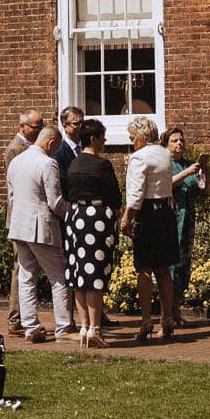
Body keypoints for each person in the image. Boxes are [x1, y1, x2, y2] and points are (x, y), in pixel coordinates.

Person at [6, 125, 75, 342]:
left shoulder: (16, 161)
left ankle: (31, 327)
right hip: (41, 226)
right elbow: (55, 202)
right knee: (59, 275)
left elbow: (12, 196)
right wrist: (71, 213)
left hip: (19, 225)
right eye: (56, 147)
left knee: (27, 277)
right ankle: (64, 326)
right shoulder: (48, 163)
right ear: (51, 143)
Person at [62, 117, 121, 348]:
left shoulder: (73, 164)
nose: (105, 141)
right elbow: (115, 197)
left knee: (78, 275)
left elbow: (67, 193)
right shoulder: (102, 165)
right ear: (94, 138)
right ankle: (96, 328)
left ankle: (85, 326)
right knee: (95, 276)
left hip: (75, 217)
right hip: (96, 218)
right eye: (103, 136)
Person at [123, 115, 180, 342]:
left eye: (132, 137)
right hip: (166, 211)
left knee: (143, 269)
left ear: (141, 137)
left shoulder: (139, 157)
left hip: (147, 213)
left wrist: (126, 218)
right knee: (164, 269)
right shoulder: (165, 154)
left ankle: (146, 319)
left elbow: (136, 194)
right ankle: (167, 318)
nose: (131, 141)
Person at [3, 110, 44, 330]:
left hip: (29, 217)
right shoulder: (15, 150)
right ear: (22, 127)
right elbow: (14, 189)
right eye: (36, 128)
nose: (39, 132)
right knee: (21, 268)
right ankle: (15, 317)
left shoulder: (33, 148)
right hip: (20, 218)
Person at [167, 127, 206, 315]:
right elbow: (165, 183)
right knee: (171, 265)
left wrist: (203, 173)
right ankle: (167, 313)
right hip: (172, 219)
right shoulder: (165, 164)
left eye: (181, 140)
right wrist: (186, 173)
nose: (179, 144)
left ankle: (176, 310)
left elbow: (203, 190)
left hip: (188, 219)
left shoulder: (191, 164)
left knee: (184, 265)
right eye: (174, 140)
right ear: (166, 144)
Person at [56, 106, 85, 176]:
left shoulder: (88, 144)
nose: (80, 126)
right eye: (76, 124)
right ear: (65, 125)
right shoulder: (59, 151)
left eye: (81, 122)